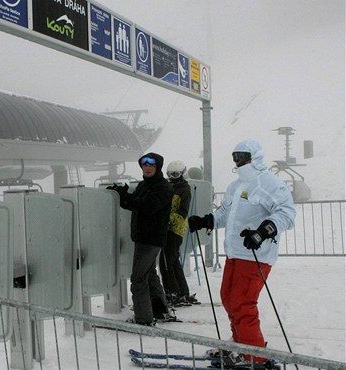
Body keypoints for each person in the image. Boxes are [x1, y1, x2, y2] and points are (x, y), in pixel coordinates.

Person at [188, 139, 296, 368]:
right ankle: (239, 345)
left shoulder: (270, 183)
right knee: (228, 297)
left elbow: (286, 213)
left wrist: (262, 232)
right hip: (235, 253)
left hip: (256, 254)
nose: (239, 162)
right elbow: (225, 213)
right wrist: (207, 220)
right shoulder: (236, 186)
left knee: (243, 302)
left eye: (243, 157)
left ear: (255, 157)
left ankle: (255, 357)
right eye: (236, 157)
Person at [107, 152, 174, 325]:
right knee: (149, 275)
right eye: (145, 165)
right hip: (143, 237)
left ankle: (143, 319)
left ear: (157, 167)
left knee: (138, 279)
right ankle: (160, 311)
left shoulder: (162, 187)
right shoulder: (145, 185)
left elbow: (147, 206)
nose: (148, 168)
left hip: (151, 239)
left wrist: (125, 197)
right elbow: (135, 204)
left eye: (151, 165)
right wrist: (119, 196)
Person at [159, 160, 198, 306]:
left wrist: (167, 218)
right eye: (169, 174)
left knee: (166, 262)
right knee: (173, 261)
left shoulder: (184, 189)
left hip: (175, 230)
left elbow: (182, 212)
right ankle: (182, 292)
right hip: (167, 229)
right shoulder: (170, 187)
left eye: (175, 174)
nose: (172, 177)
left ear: (182, 174)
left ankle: (172, 292)